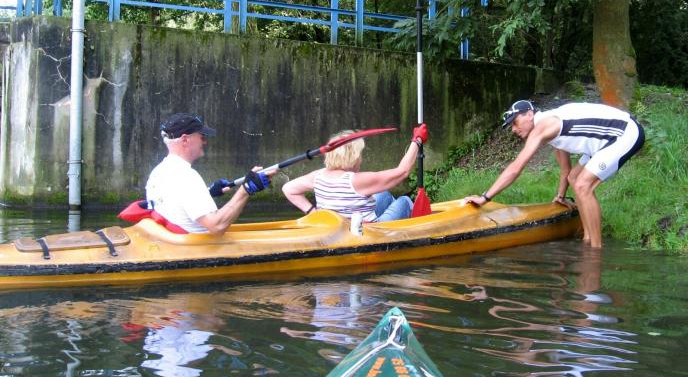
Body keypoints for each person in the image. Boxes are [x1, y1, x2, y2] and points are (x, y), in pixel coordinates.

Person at [462, 100, 645, 248]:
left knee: (583, 185)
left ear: (529, 114)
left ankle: (595, 251)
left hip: (625, 133)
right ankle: (587, 238)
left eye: (515, 122)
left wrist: (484, 198)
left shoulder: (544, 126)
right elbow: (566, 170)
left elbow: (516, 168)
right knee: (575, 178)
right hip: (602, 143)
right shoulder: (552, 133)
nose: (513, 129)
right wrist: (560, 196)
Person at [145, 113, 275, 234]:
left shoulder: (158, 172)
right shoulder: (186, 176)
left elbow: (176, 204)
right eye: (202, 137)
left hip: (172, 243)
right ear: (185, 140)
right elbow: (217, 226)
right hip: (195, 247)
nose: (205, 142)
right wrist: (247, 189)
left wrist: (208, 192)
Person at [282, 125, 428, 223]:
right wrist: (417, 141)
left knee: (383, 195)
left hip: (337, 228)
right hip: (368, 232)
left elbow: (288, 189)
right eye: (360, 154)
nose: (361, 159)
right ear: (353, 157)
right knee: (404, 201)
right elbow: (402, 172)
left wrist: (314, 213)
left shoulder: (317, 176)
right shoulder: (357, 181)